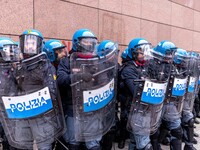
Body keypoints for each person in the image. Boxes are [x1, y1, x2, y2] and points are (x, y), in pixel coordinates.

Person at [57, 28, 102, 150]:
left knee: (93, 144)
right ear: (77, 43)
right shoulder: (67, 61)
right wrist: (79, 76)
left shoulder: (97, 61)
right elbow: (61, 80)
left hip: (92, 107)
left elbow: (104, 81)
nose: (88, 44)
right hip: (73, 108)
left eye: (91, 42)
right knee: (74, 143)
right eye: (85, 41)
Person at [157, 42, 188, 150]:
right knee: (154, 132)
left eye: (172, 53)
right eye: (169, 53)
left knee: (177, 130)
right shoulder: (153, 66)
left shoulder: (172, 67)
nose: (171, 56)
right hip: (155, 104)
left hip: (169, 102)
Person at [182, 52, 198, 150]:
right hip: (167, 102)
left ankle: (188, 144)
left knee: (189, 119)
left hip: (181, 100)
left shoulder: (183, 70)